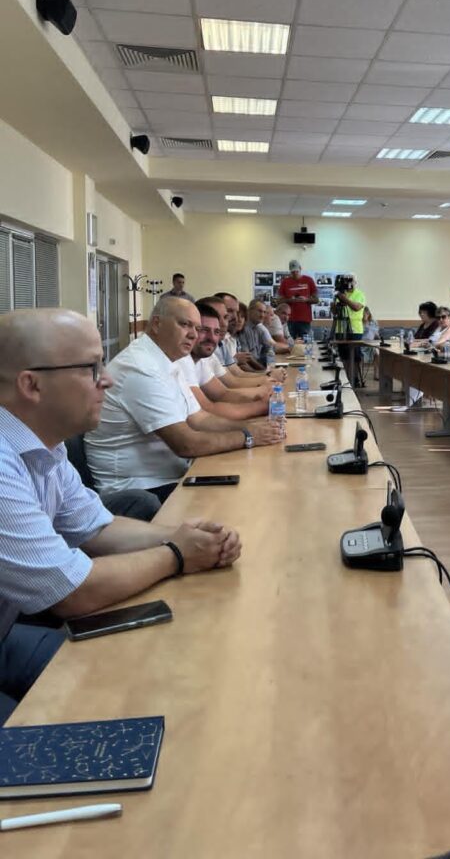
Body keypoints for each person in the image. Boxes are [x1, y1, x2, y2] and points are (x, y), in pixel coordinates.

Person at [0, 308, 242, 721]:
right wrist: (177, 555)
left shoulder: (45, 446)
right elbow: (72, 592)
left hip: (6, 636)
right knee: (65, 735)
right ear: (31, 384)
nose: (107, 380)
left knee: (129, 681)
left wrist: (187, 536)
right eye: (91, 368)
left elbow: (98, 528)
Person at [85, 297, 283, 503]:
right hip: (140, 490)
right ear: (156, 324)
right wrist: (249, 437)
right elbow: (186, 444)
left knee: (255, 482)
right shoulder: (140, 367)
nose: (193, 334)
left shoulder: (169, 360)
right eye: (185, 324)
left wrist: (252, 428)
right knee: (244, 498)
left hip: (171, 475)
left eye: (196, 328)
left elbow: (200, 419)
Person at [332, 275, 366, 387]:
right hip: (340, 329)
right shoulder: (340, 294)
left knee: (355, 355)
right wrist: (334, 303)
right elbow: (334, 312)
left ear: (355, 282)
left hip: (355, 330)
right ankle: (346, 378)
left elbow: (356, 307)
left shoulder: (359, 294)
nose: (348, 283)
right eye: (346, 281)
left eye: (350, 281)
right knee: (344, 355)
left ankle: (355, 378)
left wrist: (343, 298)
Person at [276, 261, 319, 340]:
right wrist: (290, 300)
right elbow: (279, 301)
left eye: (297, 271)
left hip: (304, 320)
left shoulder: (309, 280)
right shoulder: (285, 282)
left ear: (300, 268)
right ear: (290, 271)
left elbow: (316, 300)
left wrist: (306, 300)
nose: (295, 273)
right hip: (289, 320)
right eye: (293, 272)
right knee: (289, 343)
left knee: (305, 343)